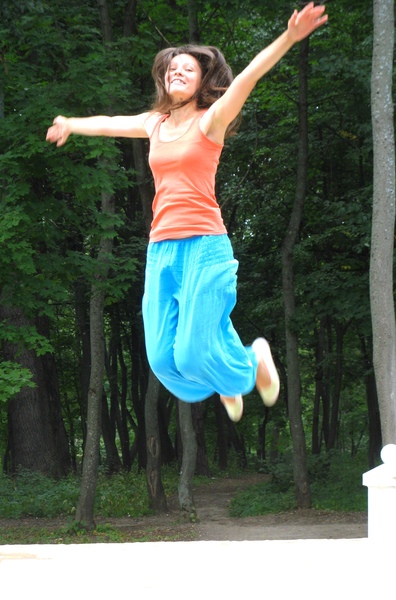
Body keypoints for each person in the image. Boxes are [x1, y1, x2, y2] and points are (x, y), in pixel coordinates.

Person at [47, 2, 328, 422]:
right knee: (164, 360)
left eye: (188, 69)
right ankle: (224, 379)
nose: (177, 72)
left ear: (202, 81)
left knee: (193, 353)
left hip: (204, 245)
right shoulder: (155, 123)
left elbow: (248, 78)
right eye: (171, 68)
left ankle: (250, 363)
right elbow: (109, 122)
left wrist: (289, 37)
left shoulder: (211, 120)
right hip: (161, 250)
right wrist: (71, 124)